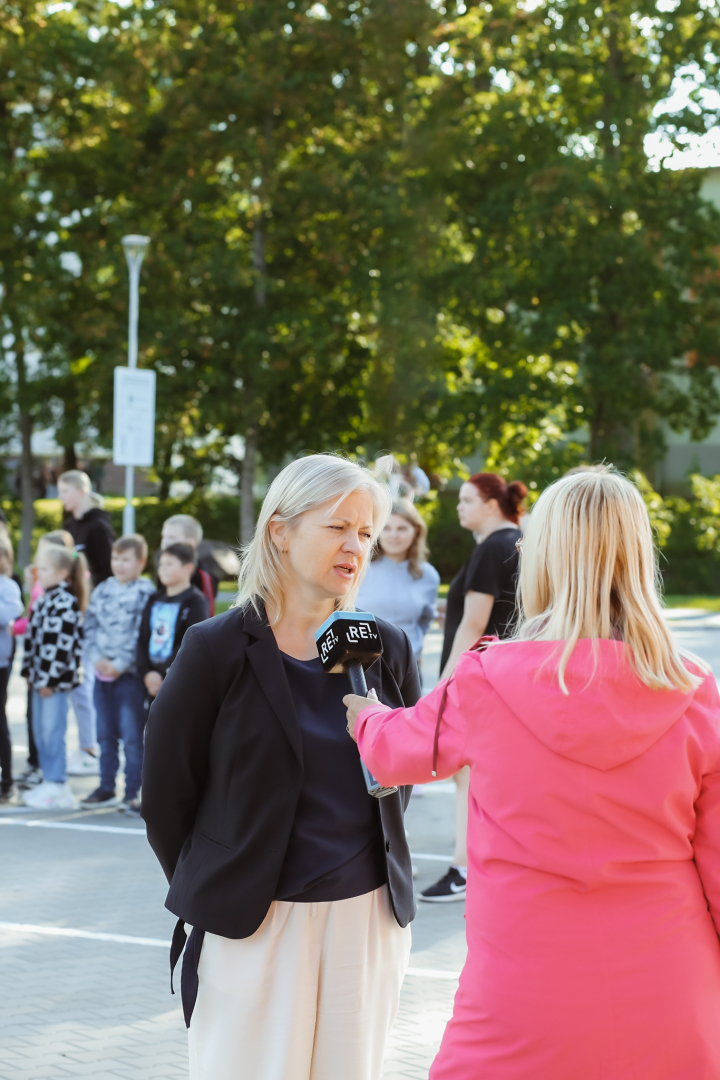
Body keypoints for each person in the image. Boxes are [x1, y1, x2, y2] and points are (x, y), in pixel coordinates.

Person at [345, 467, 720, 1080]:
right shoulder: (692, 688)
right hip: (672, 985)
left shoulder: (488, 679)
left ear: (542, 556)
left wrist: (365, 717)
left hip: (521, 986)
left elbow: (394, 752)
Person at [142, 453, 420, 1080]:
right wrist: (227, 877)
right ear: (280, 530)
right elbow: (165, 796)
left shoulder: (385, 649)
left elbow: (401, 780)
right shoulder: (215, 649)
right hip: (254, 925)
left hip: (367, 921)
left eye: (366, 533)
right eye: (337, 527)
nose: (355, 546)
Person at [422, 472, 526, 902]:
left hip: (481, 676)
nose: (459, 507)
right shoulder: (519, 543)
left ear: (489, 503)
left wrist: (444, 682)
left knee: (465, 774)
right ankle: (482, 864)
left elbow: (474, 622)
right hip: (510, 674)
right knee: (488, 775)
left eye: (466, 500)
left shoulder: (490, 548)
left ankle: (464, 868)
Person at [80, 535, 156, 814]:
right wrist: (97, 658)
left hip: (129, 677)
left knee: (132, 737)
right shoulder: (102, 589)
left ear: (140, 562)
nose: (119, 565)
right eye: (116, 559)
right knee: (104, 734)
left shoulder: (145, 592)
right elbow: (90, 626)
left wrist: (121, 663)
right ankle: (105, 786)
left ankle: (133, 791)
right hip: (102, 676)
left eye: (126, 560)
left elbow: (141, 632)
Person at [21, 544, 88, 810]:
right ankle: (49, 779)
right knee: (41, 731)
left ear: (62, 572)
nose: (39, 572)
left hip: (53, 683)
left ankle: (58, 783)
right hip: (39, 680)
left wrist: (48, 680)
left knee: (52, 730)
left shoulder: (65, 601)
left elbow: (61, 647)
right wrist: (30, 673)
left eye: (45, 568)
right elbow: (34, 641)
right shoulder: (45, 598)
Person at [356, 500, 440, 663]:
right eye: (386, 528)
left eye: (401, 528)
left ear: (415, 531)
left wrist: (416, 647)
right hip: (364, 666)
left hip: (408, 666)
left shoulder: (428, 575)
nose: (394, 535)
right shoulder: (359, 569)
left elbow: (425, 619)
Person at [137, 543, 209, 701]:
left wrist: (163, 675)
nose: (162, 568)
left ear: (188, 568)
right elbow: (142, 637)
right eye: (161, 564)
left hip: (177, 681)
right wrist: (147, 673)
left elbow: (192, 643)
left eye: (169, 564)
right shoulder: (153, 599)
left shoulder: (195, 601)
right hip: (150, 681)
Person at [58, 471, 115, 587]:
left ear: (81, 492)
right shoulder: (68, 527)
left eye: (65, 491)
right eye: (60, 492)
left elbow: (108, 568)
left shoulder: (98, 526)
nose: (61, 497)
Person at [0, 537, 25, 803]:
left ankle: (6, 780)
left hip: (0, 662)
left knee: (0, 723)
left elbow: (10, 612)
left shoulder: (7, 586)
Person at [159, 514, 218, 614]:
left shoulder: (202, 575)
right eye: (164, 537)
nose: (165, 542)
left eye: (172, 538)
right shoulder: (163, 568)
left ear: (191, 543)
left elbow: (206, 613)